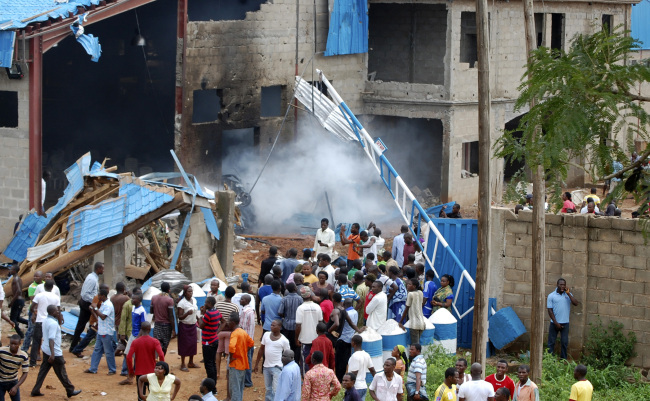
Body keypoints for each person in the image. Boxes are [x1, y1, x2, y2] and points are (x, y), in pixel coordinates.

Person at [30, 305, 81, 398]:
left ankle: (36, 389)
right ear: (53, 312)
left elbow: (52, 333)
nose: (58, 312)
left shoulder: (46, 320)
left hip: (45, 349)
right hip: (54, 352)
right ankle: (70, 390)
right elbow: (51, 339)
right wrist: (53, 354)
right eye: (57, 311)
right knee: (62, 372)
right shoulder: (53, 324)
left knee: (43, 371)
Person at [126, 321, 165, 399]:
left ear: (141, 329)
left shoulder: (135, 342)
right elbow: (161, 355)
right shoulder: (155, 341)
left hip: (140, 374)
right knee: (154, 396)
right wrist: (161, 370)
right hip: (152, 373)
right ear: (149, 329)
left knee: (141, 395)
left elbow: (128, 357)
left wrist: (131, 371)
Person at [70, 261, 103, 352]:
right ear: (98, 269)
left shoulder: (93, 277)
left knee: (87, 325)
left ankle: (77, 346)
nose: (103, 270)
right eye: (102, 268)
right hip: (87, 304)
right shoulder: (92, 279)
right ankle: (75, 347)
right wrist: (94, 302)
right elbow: (85, 294)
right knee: (87, 325)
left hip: (88, 303)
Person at [253, 320, 290, 401]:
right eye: (271, 325)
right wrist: (256, 364)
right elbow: (261, 350)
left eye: (274, 325)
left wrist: (286, 369)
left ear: (280, 327)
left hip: (277, 367)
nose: (271, 326)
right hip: (266, 367)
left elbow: (288, 355)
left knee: (276, 389)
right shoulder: (266, 335)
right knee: (268, 389)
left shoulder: (284, 340)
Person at [71, 283, 109, 358]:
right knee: (90, 336)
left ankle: (103, 349)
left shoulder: (104, 298)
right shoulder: (97, 297)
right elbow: (91, 308)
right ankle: (77, 349)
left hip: (100, 320)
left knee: (98, 335)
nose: (108, 290)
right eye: (107, 289)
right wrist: (97, 318)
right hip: (95, 321)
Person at [85, 288, 116, 375]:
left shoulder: (108, 305)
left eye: (99, 295)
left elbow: (103, 316)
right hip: (101, 331)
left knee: (108, 351)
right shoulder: (103, 304)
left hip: (106, 332)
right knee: (97, 350)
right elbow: (99, 317)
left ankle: (112, 369)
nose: (98, 297)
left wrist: (95, 308)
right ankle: (93, 368)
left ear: (103, 296)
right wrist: (92, 310)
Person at [29, 280, 60, 367]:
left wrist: (35, 313)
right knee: (52, 340)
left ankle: (32, 362)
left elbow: (32, 307)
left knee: (36, 341)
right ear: (52, 287)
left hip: (40, 321)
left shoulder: (39, 295)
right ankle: (54, 359)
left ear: (44, 286)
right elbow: (58, 310)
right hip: (51, 321)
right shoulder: (56, 297)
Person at [547, 278, 579, 359]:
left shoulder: (568, 295)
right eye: (561, 284)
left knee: (564, 342)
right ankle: (549, 359)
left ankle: (563, 359)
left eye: (564, 285)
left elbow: (576, 303)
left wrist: (568, 294)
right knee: (551, 342)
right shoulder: (551, 296)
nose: (562, 286)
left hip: (565, 323)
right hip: (554, 323)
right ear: (557, 285)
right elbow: (550, 311)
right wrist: (556, 323)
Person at [119, 291, 146, 385]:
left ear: (138, 300)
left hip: (137, 336)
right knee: (127, 354)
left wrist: (138, 338)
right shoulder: (134, 308)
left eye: (134, 298)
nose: (132, 300)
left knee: (135, 357)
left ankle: (134, 376)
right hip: (132, 335)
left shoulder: (142, 311)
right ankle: (131, 375)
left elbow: (143, 326)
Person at [295, 286, 323, 375]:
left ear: (301, 296)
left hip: (305, 339)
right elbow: (320, 322)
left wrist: (296, 338)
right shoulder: (317, 307)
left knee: (305, 360)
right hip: (316, 338)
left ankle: (306, 378)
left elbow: (298, 325)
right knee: (316, 360)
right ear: (310, 295)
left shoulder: (300, 308)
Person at [228, 312, 254, 401]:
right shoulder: (243, 332)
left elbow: (231, 347)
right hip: (242, 364)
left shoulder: (235, 333)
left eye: (228, 321)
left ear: (233, 322)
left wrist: (231, 357)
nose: (227, 323)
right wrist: (245, 351)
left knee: (235, 388)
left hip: (235, 364)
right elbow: (251, 343)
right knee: (239, 388)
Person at [199, 296, 222, 386]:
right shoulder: (216, 312)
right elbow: (223, 321)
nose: (204, 304)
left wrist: (201, 315)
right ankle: (213, 384)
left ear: (209, 303)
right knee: (212, 363)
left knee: (208, 365)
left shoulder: (208, 314)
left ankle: (211, 386)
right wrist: (217, 331)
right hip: (214, 340)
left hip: (208, 342)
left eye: (206, 302)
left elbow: (201, 325)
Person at [278, 282, 303, 364]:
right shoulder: (300, 299)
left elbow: (280, 312)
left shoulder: (284, 299)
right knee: (297, 345)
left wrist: (285, 315)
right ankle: (295, 362)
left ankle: (286, 361)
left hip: (286, 325)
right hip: (297, 325)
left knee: (287, 344)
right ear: (296, 289)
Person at [0, 335, 29, 400]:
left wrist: (16, 387)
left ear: (19, 344)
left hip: (13, 382)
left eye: (15, 344)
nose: (13, 346)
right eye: (11, 343)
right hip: (1, 381)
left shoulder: (23, 356)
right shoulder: (2, 351)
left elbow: (25, 373)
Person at [21, 272, 44, 354]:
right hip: (33, 310)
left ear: (42, 277)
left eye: (37, 276)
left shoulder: (44, 284)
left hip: (42, 311)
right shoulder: (32, 286)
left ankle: (37, 351)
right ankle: (24, 349)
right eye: (35, 276)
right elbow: (32, 298)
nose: (35, 277)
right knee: (30, 331)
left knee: (39, 332)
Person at [178, 285, 199, 371]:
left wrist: (198, 319)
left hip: (193, 325)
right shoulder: (181, 303)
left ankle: (191, 362)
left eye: (191, 291)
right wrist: (187, 313)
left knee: (193, 344)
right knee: (184, 344)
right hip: (184, 326)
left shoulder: (194, 300)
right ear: (185, 293)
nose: (191, 293)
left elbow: (195, 312)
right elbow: (180, 317)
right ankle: (183, 363)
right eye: (189, 291)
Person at [399, 278, 427, 344]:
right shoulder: (420, 292)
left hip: (414, 324)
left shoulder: (410, 294)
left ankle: (417, 354)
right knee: (418, 343)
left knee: (415, 344)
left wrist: (400, 322)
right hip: (422, 323)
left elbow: (406, 309)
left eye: (409, 284)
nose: (407, 285)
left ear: (414, 286)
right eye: (407, 284)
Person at [348, 335, 376, 399]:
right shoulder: (366, 355)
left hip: (356, 387)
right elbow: (373, 371)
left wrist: (348, 386)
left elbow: (354, 373)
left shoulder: (355, 356)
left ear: (353, 343)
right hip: (363, 387)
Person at [152, 282, 176, 355]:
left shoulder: (154, 298)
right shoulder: (169, 300)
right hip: (166, 326)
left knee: (157, 344)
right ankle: (162, 361)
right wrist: (174, 329)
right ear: (169, 290)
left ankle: (156, 361)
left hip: (157, 324)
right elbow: (171, 316)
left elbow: (151, 310)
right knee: (165, 345)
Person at [239, 294, 256, 387]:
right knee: (247, 360)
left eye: (241, 299)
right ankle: (247, 380)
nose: (240, 300)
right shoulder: (250, 311)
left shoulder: (246, 311)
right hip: (249, 339)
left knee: (247, 360)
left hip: (245, 341)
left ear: (245, 300)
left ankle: (247, 381)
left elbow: (243, 327)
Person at [8, 265, 28, 339]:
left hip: (17, 300)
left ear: (15, 271)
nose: (10, 270)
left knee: (13, 319)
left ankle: (21, 335)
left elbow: (19, 291)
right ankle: (31, 324)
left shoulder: (16, 279)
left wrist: (12, 302)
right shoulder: (16, 278)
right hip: (20, 300)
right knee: (18, 318)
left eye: (12, 269)